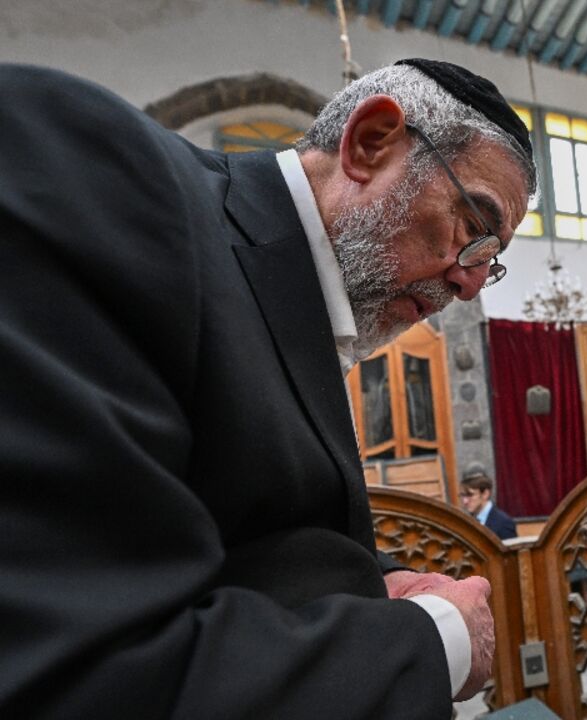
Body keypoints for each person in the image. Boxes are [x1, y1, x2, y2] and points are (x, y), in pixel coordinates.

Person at [0, 58, 535, 718]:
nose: (469, 284)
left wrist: (380, 581)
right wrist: (438, 636)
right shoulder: (107, 174)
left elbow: (236, 527)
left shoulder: (293, 303)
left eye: (490, 260)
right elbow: (90, 670)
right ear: (371, 143)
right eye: (472, 226)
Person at [459, 473, 518, 541]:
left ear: (485, 494)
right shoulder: (468, 521)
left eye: (470, 495)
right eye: (462, 495)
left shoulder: (503, 523)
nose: (465, 501)